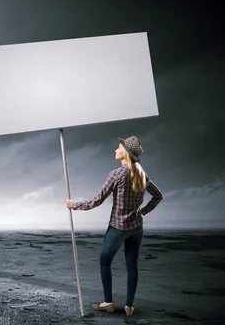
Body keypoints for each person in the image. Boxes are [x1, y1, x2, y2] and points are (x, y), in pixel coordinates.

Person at [64, 136, 163, 317]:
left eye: (118, 147)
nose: (115, 150)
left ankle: (108, 303)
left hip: (118, 227)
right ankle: (129, 307)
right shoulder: (142, 174)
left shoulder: (116, 175)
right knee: (132, 266)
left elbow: (97, 201)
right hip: (136, 228)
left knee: (105, 261)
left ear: (125, 152)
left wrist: (74, 205)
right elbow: (158, 195)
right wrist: (143, 211)